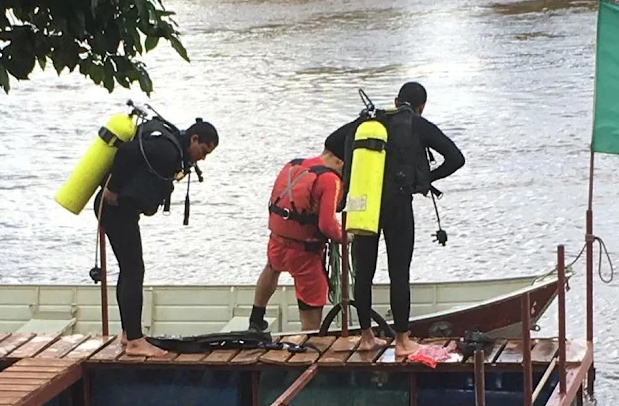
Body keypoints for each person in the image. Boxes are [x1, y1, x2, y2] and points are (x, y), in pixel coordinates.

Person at [335, 81, 465, 357]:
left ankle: (367, 336)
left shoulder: (367, 122)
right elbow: (456, 158)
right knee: (399, 272)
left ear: (395, 101)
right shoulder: (418, 125)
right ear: (421, 106)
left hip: (364, 204)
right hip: (397, 203)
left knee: (363, 272)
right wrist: (427, 178)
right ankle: (403, 341)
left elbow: (333, 142)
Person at [94, 117, 219, 357]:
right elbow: (127, 152)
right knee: (134, 269)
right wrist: (113, 189)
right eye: (203, 150)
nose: (202, 158)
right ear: (194, 138)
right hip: (114, 208)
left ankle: (128, 333)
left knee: (130, 268)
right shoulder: (166, 150)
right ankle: (134, 341)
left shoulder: (173, 150)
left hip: (120, 211)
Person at [248, 135, 352, 332]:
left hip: (277, 242)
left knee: (271, 269)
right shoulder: (330, 179)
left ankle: (256, 318)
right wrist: (345, 237)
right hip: (304, 252)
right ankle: (309, 338)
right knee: (313, 294)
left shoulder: (293, 165)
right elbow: (328, 225)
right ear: (340, 160)